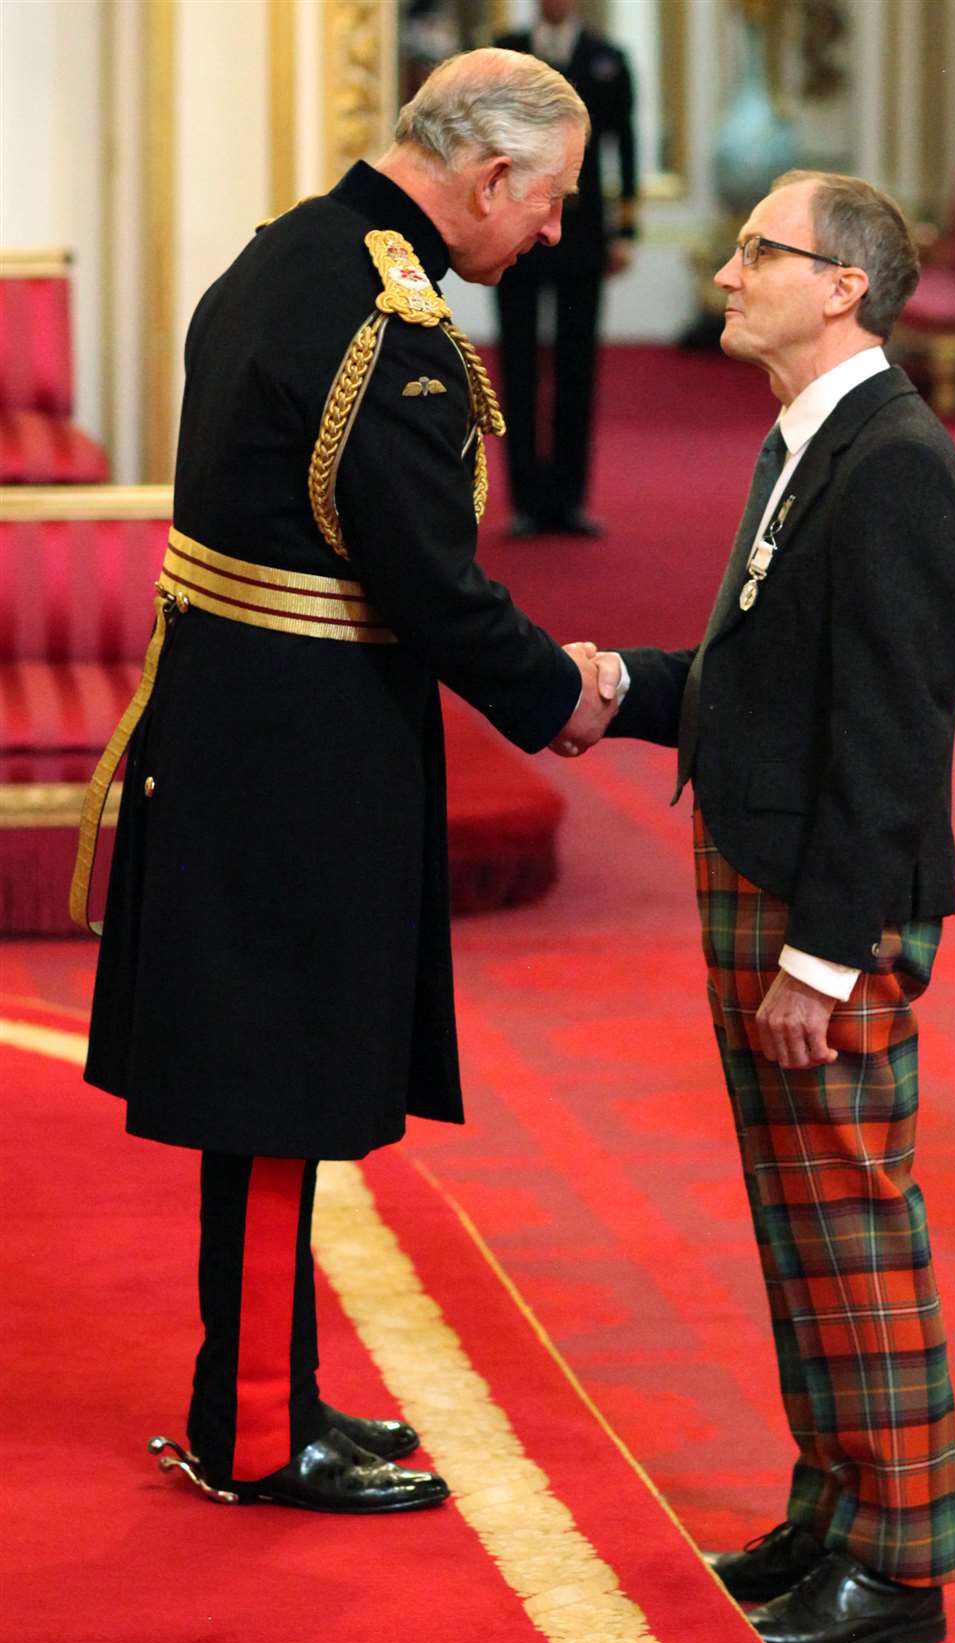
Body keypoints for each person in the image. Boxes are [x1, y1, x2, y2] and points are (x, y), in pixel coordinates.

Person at [73, 48, 619, 1516]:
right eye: (552, 201)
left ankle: (269, 1383)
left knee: (278, 1074)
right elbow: (433, 588)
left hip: (241, 719)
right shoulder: (401, 328)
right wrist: (564, 696)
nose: (555, 233)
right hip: (302, 748)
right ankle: (252, 1427)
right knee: (278, 1078)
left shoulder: (289, 252)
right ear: (493, 176)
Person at [561, 171, 955, 1643]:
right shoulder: (810, 441)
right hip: (769, 868)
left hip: (825, 907)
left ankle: (900, 1554)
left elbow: (889, 734)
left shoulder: (896, 466)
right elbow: (762, 679)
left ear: (842, 285)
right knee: (799, 1224)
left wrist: (825, 949)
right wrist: (624, 687)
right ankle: (834, 1506)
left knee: (856, 1222)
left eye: (759, 251)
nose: (727, 273)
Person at [495, 0, 637, 537]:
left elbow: (623, 143)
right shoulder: (508, 54)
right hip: (518, 230)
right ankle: (526, 500)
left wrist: (624, 229)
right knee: (519, 363)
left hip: (581, 234)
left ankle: (569, 499)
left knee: (578, 364)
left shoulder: (606, 58)